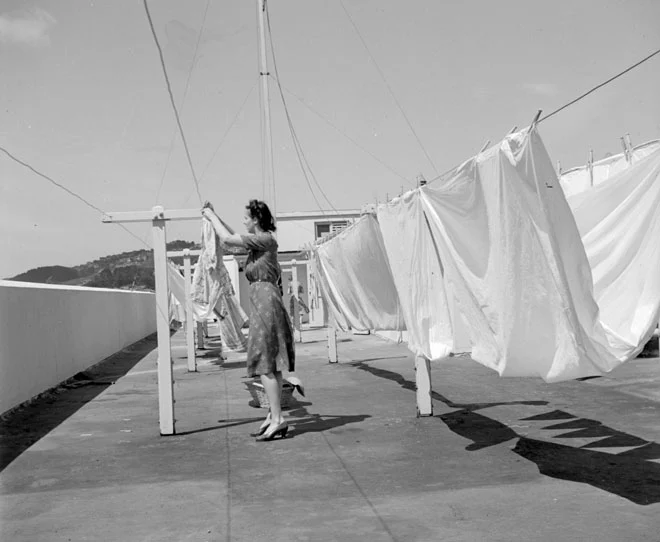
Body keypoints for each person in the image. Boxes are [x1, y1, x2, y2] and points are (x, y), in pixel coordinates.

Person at [202, 199, 294, 441]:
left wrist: (211, 217)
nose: (243, 220)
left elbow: (229, 240)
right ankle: (273, 416)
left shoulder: (265, 240)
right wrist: (216, 216)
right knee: (270, 363)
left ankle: (277, 419)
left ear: (256, 220)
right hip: (263, 300)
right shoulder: (259, 242)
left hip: (265, 301)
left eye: (246, 217)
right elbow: (233, 236)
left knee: (265, 363)